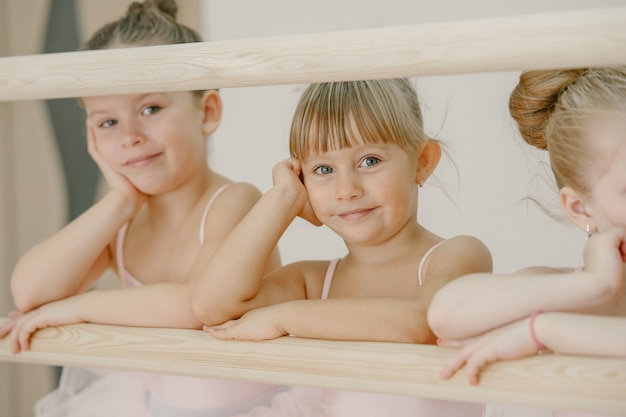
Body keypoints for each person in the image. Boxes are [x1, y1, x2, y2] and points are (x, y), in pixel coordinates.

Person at [0, 1, 330, 416]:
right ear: (92, 137)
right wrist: (120, 200)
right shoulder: (123, 221)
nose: (130, 136)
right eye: (107, 122)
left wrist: (73, 307)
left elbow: (193, 307)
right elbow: (29, 291)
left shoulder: (235, 201)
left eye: (150, 109)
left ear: (207, 112)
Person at [191, 78, 493, 416]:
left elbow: (420, 322)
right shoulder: (314, 282)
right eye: (323, 169)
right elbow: (212, 307)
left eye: (369, 161)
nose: (346, 189)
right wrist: (283, 197)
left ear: (422, 161)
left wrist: (283, 317)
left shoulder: (458, 255)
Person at [427, 67, 626, 415]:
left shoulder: (545, 322)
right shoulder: (562, 288)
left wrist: (543, 330)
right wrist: (595, 283)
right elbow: (446, 314)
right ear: (580, 208)